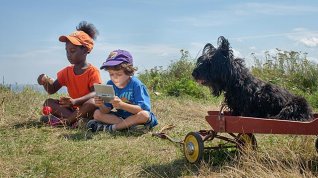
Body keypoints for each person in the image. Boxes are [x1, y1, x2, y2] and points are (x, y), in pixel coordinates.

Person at [37, 21, 102, 127]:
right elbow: (52, 89)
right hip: (74, 110)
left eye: (72, 51)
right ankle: (74, 121)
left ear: (85, 51)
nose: (68, 55)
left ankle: (64, 122)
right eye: (66, 51)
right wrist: (44, 81)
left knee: (93, 102)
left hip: (87, 110)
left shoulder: (92, 71)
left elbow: (96, 93)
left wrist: (75, 101)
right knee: (48, 102)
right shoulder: (66, 72)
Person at [86, 49, 158, 132]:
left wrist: (122, 105)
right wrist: (101, 104)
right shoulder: (110, 84)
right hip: (121, 118)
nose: (114, 77)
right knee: (97, 114)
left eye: (119, 74)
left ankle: (112, 128)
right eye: (111, 74)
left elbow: (141, 109)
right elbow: (106, 110)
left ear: (129, 72)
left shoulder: (136, 84)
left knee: (144, 115)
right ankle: (128, 127)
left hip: (137, 117)